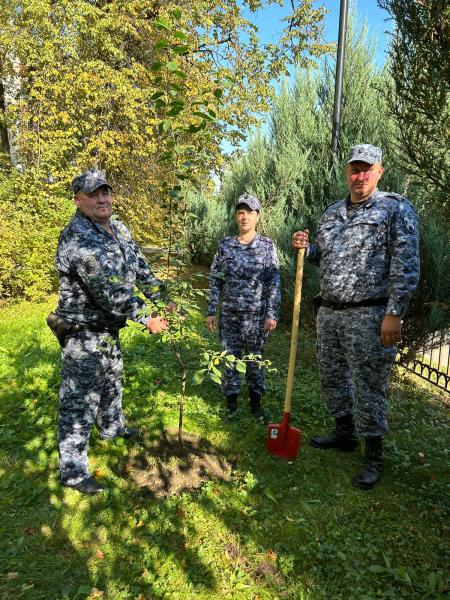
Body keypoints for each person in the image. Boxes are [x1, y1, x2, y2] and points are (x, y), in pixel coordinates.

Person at [292, 144, 420, 490]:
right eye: (354, 169)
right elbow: (325, 256)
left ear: (379, 172)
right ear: (347, 172)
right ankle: (345, 433)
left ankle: (373, 455)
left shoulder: (394, 210)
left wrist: (394, 313)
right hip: (330, 312)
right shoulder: (332, 214)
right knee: (331, 376)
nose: (359, 176)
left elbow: (406, 266)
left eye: (367, 169)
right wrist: (308, 248)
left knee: (368, 386)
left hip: (369, 313)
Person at [49, 168, 171, 495]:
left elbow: (141, 269)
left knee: (112, 379)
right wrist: (148, 317)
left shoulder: (118, 229)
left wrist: (165, 300)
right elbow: (108, 291)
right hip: (83, 331)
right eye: (93, 194)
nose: (102, 199)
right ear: (77, 200)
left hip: (107, 330)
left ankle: (112, 428)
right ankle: (73, 471)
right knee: (79, 397)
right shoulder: (77, 237)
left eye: (105, 192)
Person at [206, 193, 281, 421]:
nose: (244, 216)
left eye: (249, 212)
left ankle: (256, 405)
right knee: (230, 359)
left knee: (255, 361)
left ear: (257, 216)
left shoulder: (267, 247)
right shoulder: (225, 246)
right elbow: (215, 278)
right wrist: (211, 310)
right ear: (236, 216)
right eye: (240, 212)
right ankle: (231, 403)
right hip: (229, 315)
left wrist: (271, 314)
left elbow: (274, 282)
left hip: (256, 318)